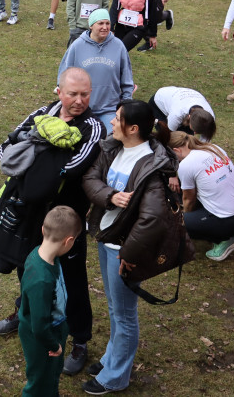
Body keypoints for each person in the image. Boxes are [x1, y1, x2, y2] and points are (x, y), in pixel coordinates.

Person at [0, 68, 104, 375]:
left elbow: (75, 166)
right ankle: (24, 314)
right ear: (59, 91)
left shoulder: (93, 127)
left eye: (85, 94)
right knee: (28, 266)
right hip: (29, 211)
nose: (79, 100)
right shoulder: (42, 112)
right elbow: (6, 148)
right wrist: (39, 164)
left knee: (72, 277)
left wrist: (37, 162)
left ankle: (79, 340)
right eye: (73, 94)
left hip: (67, 218)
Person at [81, 100, 178, 395]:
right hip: (106, 238)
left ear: (133, 128)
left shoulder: (152, 166)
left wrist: (129, 255)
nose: (111, 122)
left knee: (124, 313)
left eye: (118, 118)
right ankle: (112, 358)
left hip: (123, 250)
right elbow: (90, 179)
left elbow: (151, 221)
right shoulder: (113, 147)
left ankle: (115, 377)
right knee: (115, 307)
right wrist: (111, 196)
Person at [18, 206, 82, 396]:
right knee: (39, 382)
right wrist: (54, 345)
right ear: (68, 241)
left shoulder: (47, 255)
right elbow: (39, 325)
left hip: (54, 328)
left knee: (51, 375)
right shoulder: (41, 279)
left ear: (43, 230)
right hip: (43, 338)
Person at [169, 131, 234, 261]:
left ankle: (224, 239)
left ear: (176, 150)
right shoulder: (212, 148)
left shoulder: (186, 165)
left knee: (175, 222)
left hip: (231, 220)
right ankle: (216, 229)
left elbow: (188, 199)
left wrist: (186, 221)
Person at [58, 9, 134, 132]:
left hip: (109, 109)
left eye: (107, 23)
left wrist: (126, 105)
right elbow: (63, 76)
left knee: (110, 141)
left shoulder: (119, 46)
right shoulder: (77, 46)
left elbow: (127, 79)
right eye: (100, 23)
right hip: (80, 109)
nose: (105, 27)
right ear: (91, 25)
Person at [150, 87, 216, 139]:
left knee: (187, 137)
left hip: (179, 100)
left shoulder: (209, 118)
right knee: (173, 139)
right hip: (159, 104)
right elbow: (170, 137)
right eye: (195, 131)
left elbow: (205, 142)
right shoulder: (177, 114)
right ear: (189, 117)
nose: (195, 133)